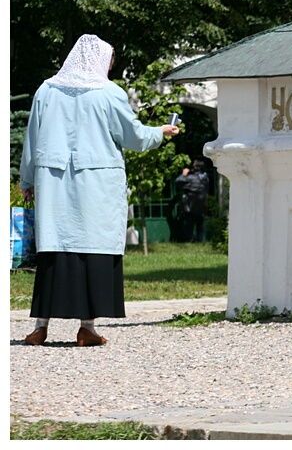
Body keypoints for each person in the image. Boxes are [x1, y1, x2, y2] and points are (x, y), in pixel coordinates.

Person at [19, 34, 179, 347]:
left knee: (55, 248)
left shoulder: (46, 90)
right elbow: (133, 136)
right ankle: (86, 328)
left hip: (54, 185)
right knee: (93, 248)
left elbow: (32, 138)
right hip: (97, 187)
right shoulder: (108, 94)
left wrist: (27, 180)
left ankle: (40, 327)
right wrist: (161, 132)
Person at [175, 159, 209, 242]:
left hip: (190, 206)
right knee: (200, 225)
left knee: (189, 225)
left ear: (194, 167)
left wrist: (184, 174)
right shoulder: (205, 178)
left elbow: (178, 182)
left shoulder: (190, 178)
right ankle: (199, 240)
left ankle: (190, 239)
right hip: (202, 205)